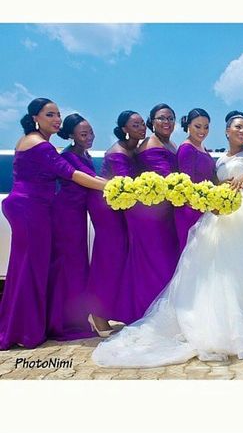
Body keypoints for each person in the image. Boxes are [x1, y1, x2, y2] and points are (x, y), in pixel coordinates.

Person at [92, 110, 243, 367]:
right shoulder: (210, 156)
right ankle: (214, 324)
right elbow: (195, 181)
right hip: (212, 212)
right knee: (218, 273)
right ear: (227, 131)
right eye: (237, 127)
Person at [0, 98, 105, 350]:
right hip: (30, 208)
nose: (57, 119)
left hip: (34, 207)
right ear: (36, 117)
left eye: (58, 114)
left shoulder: (36, 142)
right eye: (50, 115)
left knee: (30, 268)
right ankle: (24, 330)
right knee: (30, 269)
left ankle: (24, 326)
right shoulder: (39, 145)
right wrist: (112, 185)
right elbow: (72, 174)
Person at [115, 103, 180, 324]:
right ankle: (150, 315)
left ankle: (163, 312)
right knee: (157, 263)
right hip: (149, 215)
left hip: (164, 212)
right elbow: (165, 177)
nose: (167, 122)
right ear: (152, 121)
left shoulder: (169, 143)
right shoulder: (151, 144)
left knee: (166, 262)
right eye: (161, 118)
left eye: (171, 118)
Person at [86, 110, 146, 336]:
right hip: (108, 211)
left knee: (121, 263)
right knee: (108, 262)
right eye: (135, 124)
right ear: (124, 129)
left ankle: (115, 311)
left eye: (142, 123)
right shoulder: (118, 152)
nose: (141, 127)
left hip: (123, 209)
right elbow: (127, 186)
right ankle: (97, 316)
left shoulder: (134, 149)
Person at [47, 113, 101, 341]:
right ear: (71, 135)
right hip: (65, 216)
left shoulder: (84, 154)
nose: (89, 137)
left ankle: (76, 318)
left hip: (78, 215)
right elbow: (86, 181)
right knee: (68, 266)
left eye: (91, 132)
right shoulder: (67, 157)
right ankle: (62, 321)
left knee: (78, 265)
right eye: (83, 134)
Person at [175, 108, 216, 252]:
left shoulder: (200, 147)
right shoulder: (187, 149)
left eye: (206, 127)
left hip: (203, 208)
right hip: (190, 211)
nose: (202, 131)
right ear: (188, 126)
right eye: (197, 126)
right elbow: (187, 186)